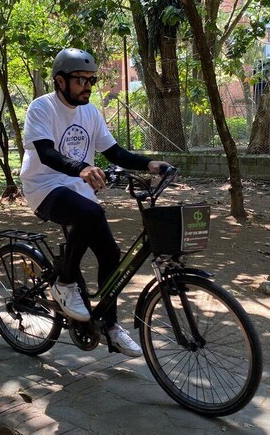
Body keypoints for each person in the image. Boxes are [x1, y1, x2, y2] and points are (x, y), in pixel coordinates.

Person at [19, 48, 170, 358]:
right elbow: (47, 153)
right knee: (90, 212)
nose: (87, 86)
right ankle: (64, 282)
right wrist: (82, 168)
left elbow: (115, 153)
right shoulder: (42, 108)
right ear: (60, 82)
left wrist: (150, 164)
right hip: (43, 186)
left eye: (91, 80)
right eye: (80, 80)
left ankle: (110, 327)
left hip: (77, 187)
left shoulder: (91, 112)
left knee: (111, 254)